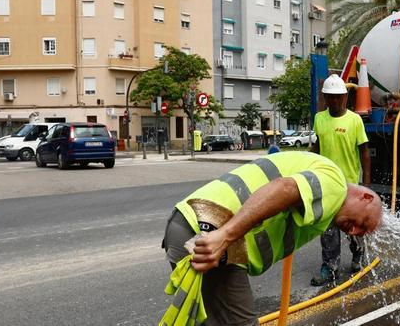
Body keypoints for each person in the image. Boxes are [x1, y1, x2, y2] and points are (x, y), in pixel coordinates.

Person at [162, 151, 382, 326]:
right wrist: (224, 235)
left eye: (360, 232)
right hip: (208, 232)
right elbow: (284, 188)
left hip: (192, 226)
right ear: (365, 197)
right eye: (361, 223)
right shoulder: (336, 185)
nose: (353, 231)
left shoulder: (325, 197)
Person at [310, 73, 372, 286]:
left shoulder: (354, 120)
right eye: (330, 97)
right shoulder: (320, 119)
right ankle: (330, 267)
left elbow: (364, 152)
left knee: (353, 227)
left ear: (345, 97)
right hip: (326, 185)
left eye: (338, 97)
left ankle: (357, 255)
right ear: (325, 98)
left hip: (350, 185)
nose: (334, 101)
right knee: (328, 229)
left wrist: (367, 185)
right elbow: (316, 148)